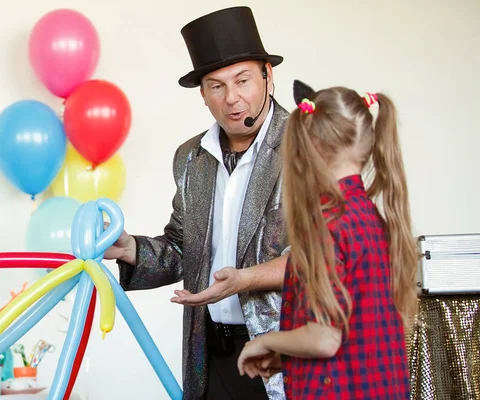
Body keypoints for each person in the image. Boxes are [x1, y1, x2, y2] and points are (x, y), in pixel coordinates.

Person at [104, 6, 290, 400]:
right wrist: (132, 249)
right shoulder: (191, 157)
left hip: (285, 356)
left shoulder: (307, 146)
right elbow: (183, 249)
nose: (233, 99)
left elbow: (328, 257)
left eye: (243, 80)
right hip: (211, 356)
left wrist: (245, 279)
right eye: (216, 86)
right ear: (202, 94)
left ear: (267, 76)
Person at [231, 80, 417, 399]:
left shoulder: (326, 226)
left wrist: (264, 341)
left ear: (311, 149)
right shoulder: (372, 219)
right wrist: (289, 355)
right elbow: (351, 334)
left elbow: (324, 339)